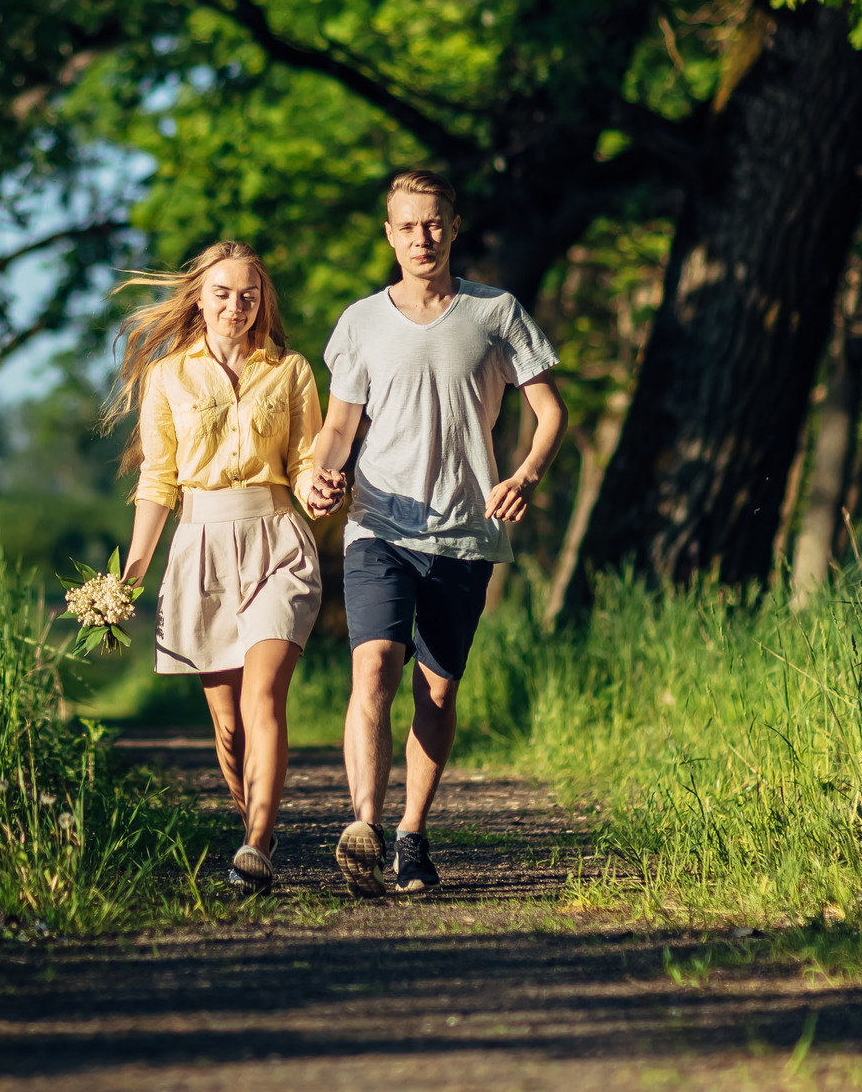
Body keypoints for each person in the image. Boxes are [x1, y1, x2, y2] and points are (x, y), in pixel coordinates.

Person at [301, 170, 567, 897]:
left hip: (464, 530)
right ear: (389, 234)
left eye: (434, 223)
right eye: (408, 225)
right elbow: (339, 427)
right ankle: (364, 826)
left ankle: (412, 835)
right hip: (378, 523)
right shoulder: (360, 322)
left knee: (438, 692)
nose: (422, 237)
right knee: (374, 668)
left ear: (453, 227)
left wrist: (526, 475)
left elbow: (550, 411)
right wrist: (321, 474)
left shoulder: (496, 312)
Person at [103, 241, 331, 899]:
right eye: (223, 293)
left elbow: (305, 460)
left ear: (263, 301)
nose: (236, 305)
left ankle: (256, 843)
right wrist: (133, 571)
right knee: (228, 726)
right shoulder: (168, 376)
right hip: (200, 547)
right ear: (200, 299)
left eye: (248, 295)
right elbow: (158, 478)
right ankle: (252, 828)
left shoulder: (290, 370)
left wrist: (317, 489)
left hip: (277, 541)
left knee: (264, 697)